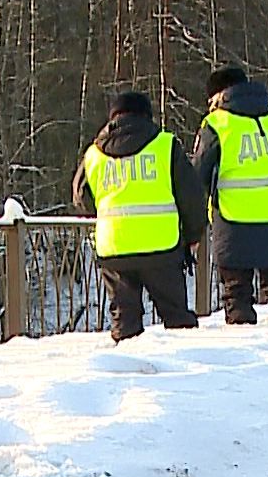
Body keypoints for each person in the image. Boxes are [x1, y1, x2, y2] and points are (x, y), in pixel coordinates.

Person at [72, 90, 205, 342]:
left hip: (114, 249)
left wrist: (108, 215)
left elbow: (80, 196)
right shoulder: (165, 145)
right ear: (147, 115)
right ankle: (187, 373)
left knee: (125, 318)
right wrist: (192, 235)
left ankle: (128, 371)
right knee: (177, 319)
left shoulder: (94, 154)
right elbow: (192, 195)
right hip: (161, 247)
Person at [191, 65, 268, 325]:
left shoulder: (217, 124)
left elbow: (199, 172)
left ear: (219, 95)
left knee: (236, 292)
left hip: (232, 217)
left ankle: (243, 339)